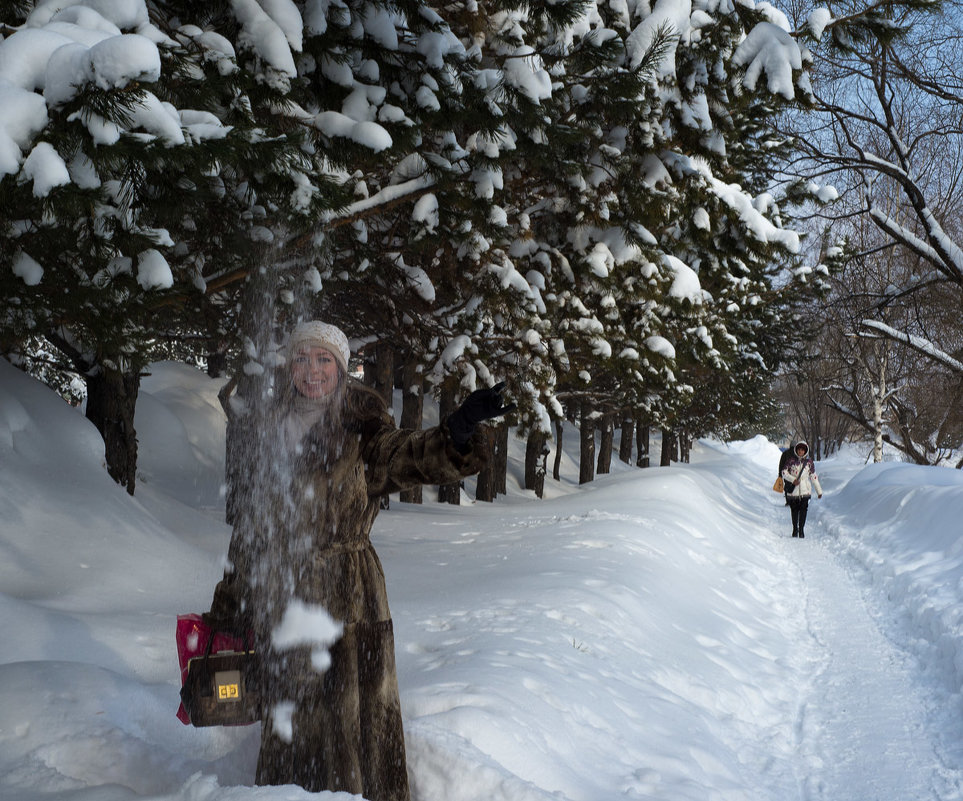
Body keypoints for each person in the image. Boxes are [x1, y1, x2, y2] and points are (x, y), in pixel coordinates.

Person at [206, 320, 514, 801]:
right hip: (285, 599)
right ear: (290, 366)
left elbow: (404, 457)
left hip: (350, 596)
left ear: (342, 369)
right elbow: (250, 530)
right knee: (294, 722)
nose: (312, 371)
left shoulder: (362, 428)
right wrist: (226, 609)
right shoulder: (265, 430)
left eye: (324, 360)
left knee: (357, 718)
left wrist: (455, 431)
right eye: (303, 358)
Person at [781, 440, 823, 538]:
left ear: (805, 451)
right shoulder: (791, 461)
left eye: (802, 450)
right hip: (794, 492)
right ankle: (795, 529)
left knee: (803, 510)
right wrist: (793, 480)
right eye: (799, 450)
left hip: (805, 491)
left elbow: (813, 476)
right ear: (796, 450)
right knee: (794, 511)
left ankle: (801, 530)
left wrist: (819, 491)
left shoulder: (809, 462)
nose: (800, 452)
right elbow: (784, 472)